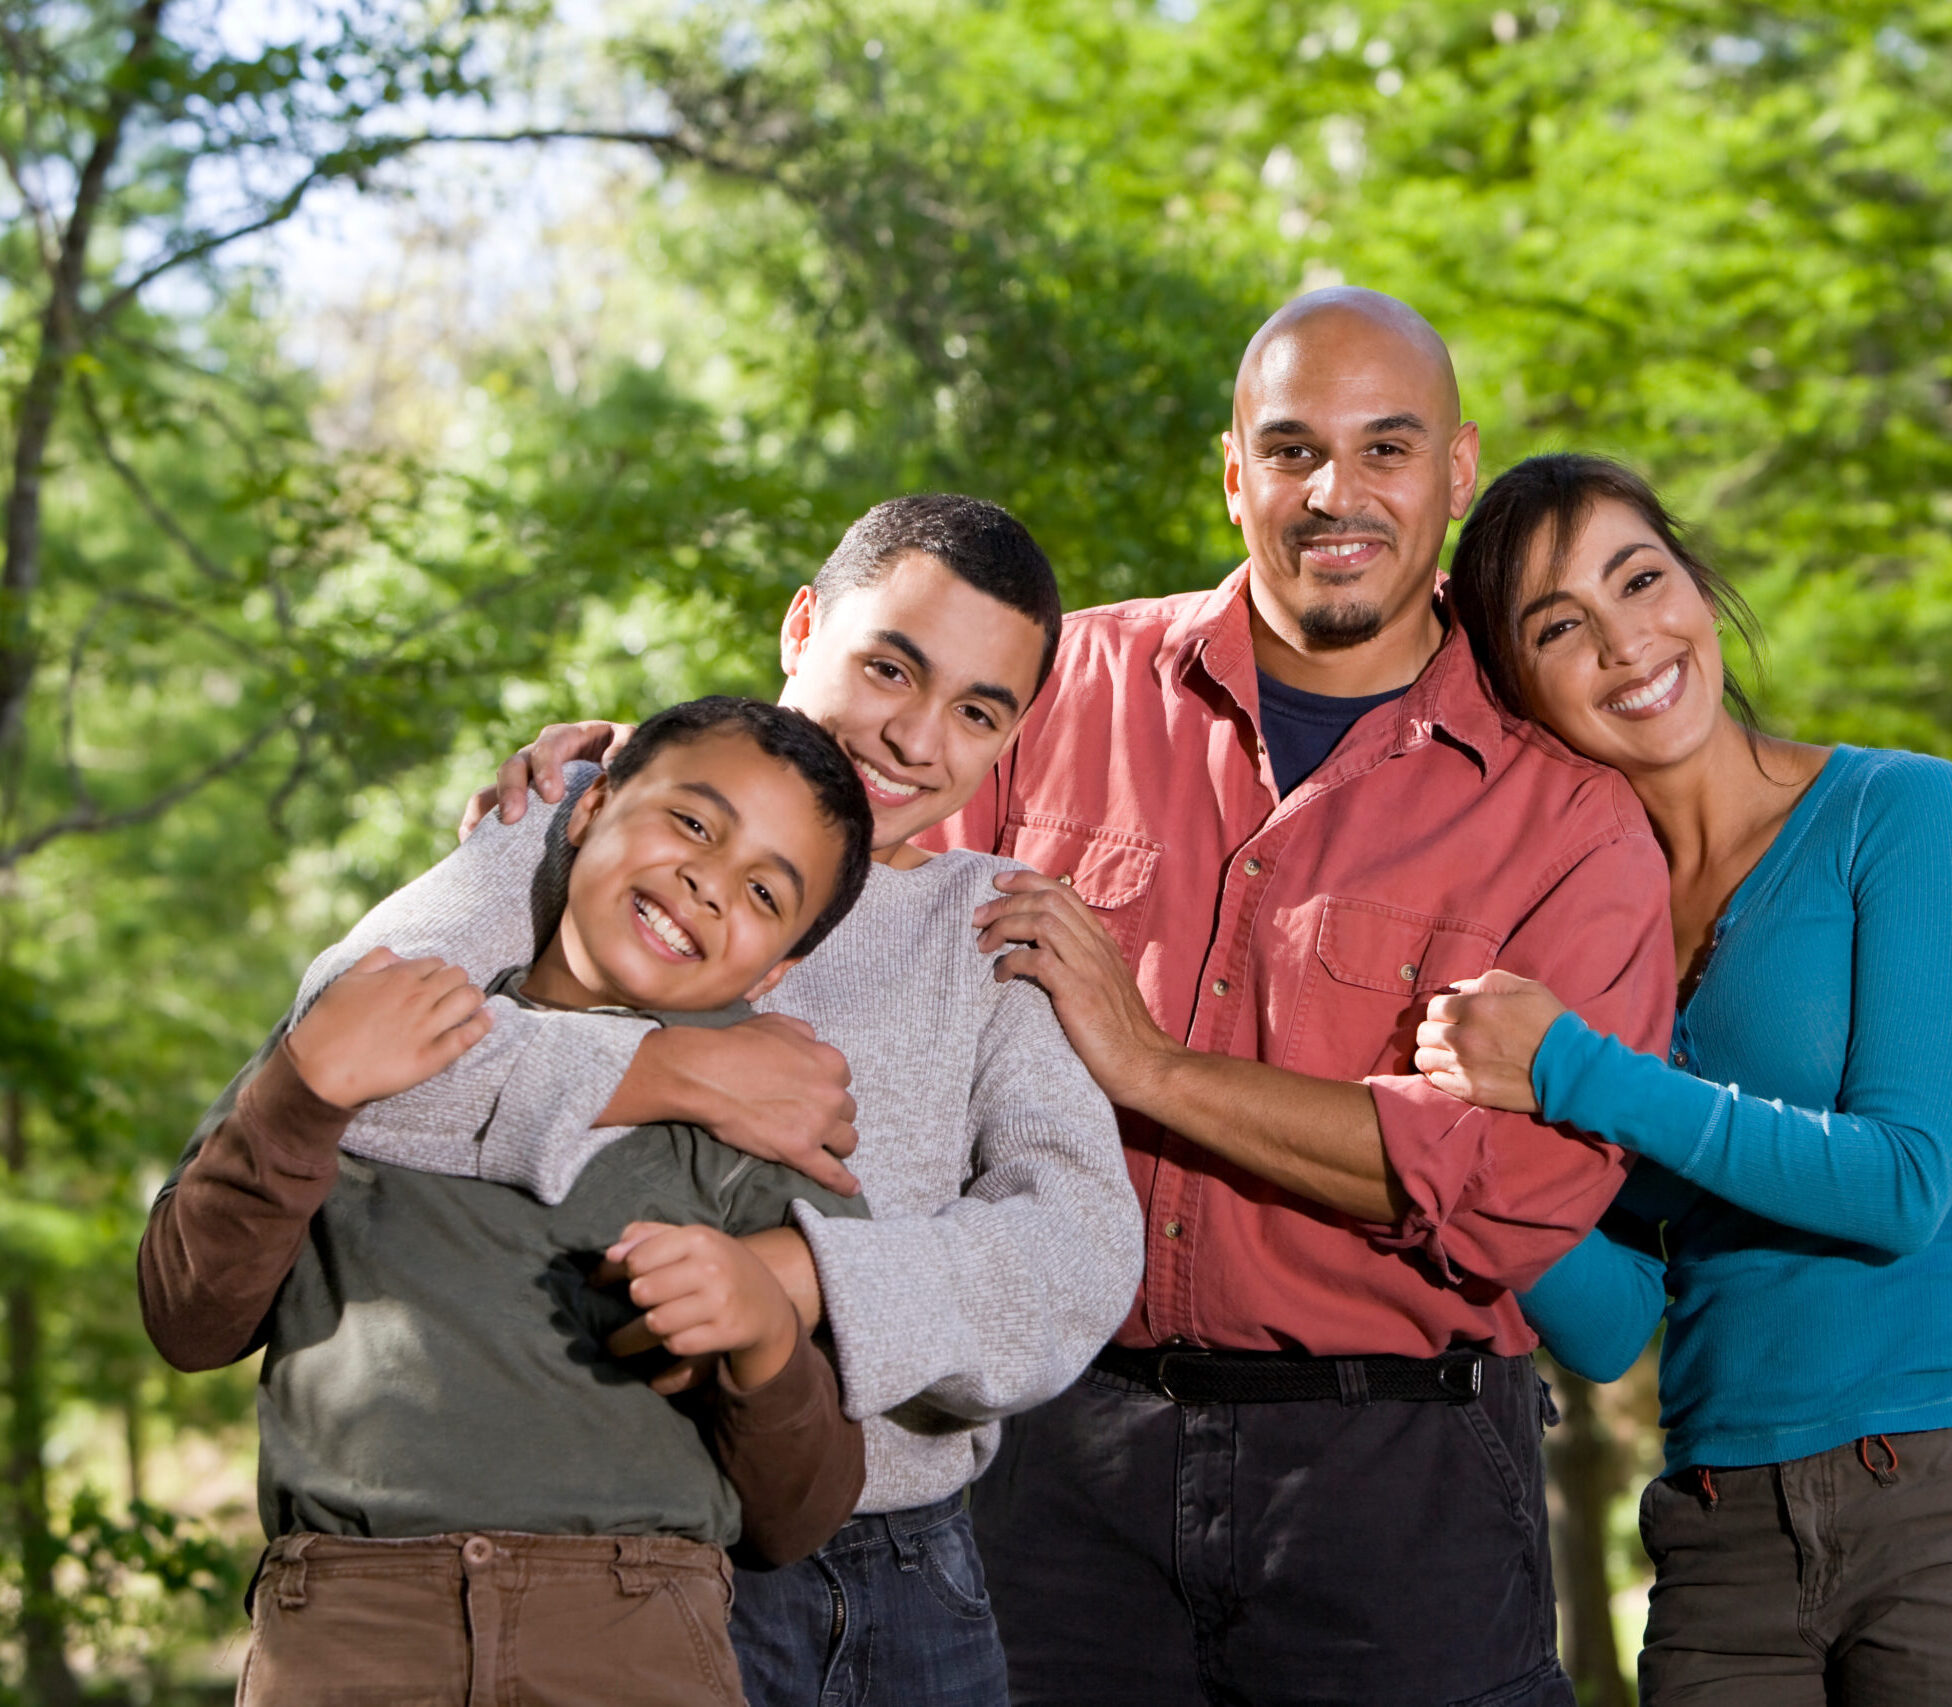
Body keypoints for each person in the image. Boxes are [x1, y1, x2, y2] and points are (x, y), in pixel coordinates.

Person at [249, 495, 1138, 1707]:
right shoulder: (601, 815)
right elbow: (340, 1043)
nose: (915, 739)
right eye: (889, 667)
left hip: (912, 1579)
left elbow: (1078, 1255)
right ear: (802, 625)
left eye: (976, 713)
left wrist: (801, 1272)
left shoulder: (989, 931)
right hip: (626, 1562)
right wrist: (672, 1069)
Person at [920, 289, 1677, 1706]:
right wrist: (617, 774)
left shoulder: (1567, 815)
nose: (1336, 493)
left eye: (1386, 448)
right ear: (1232, 474)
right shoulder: (1054, 686)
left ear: (1456, 470)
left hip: (1401, 1491)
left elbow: (1521, 1187)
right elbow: (849, 831)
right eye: (1291, 450)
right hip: (1048, 1464)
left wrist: (1153, 1068)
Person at [1417, 452, 1952, 1705]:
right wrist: (1438, 1151)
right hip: (1719, 1535)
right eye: (1559, 627)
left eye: (1639, 579)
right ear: (1516, 691)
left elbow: (1903, 1183)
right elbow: (1605, 1323)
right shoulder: (1581, 953)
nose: (1627, 643)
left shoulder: (1898, 813)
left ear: (1695, 583)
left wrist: (1571, 1071)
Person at [140, 697, 876, 1707]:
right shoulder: (377, 1026)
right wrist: (299, 1098)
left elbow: (800, 1517)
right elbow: (188, 1317)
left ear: (782, 963)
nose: (708, 882)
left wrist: (763, 1341)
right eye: (693, 824)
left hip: (631, 1639)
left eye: (762, 892)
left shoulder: (767, 1131)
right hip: (349, 1630)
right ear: (588, 809)